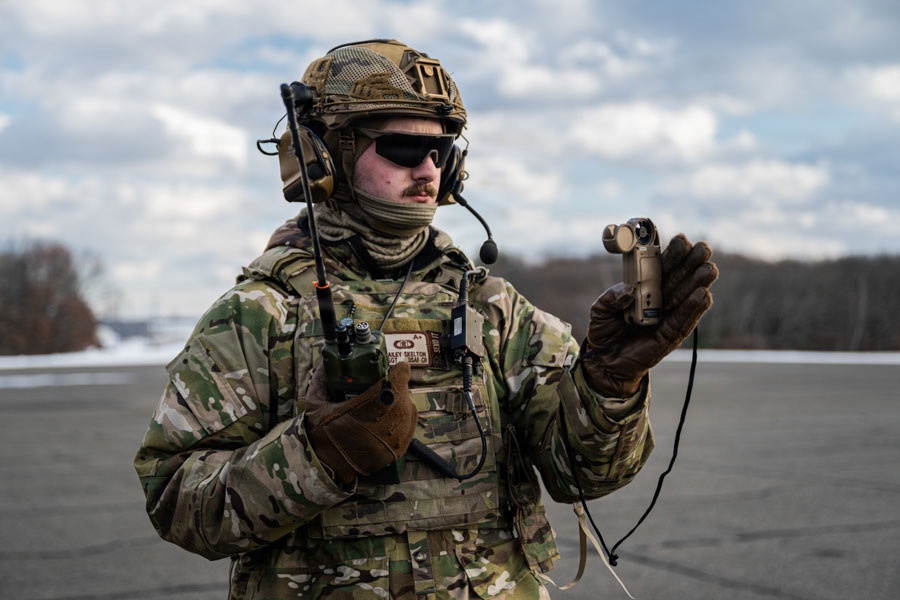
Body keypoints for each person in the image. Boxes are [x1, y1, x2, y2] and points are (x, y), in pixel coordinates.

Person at [134, 39, 718, 599]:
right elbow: (176, 500)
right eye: (404, 149)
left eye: (441, 152)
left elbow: (583, 474)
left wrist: (608, 385)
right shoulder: (258, 315)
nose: (429, 170)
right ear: (325, 155)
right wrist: (315, 457)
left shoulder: (493, 308)